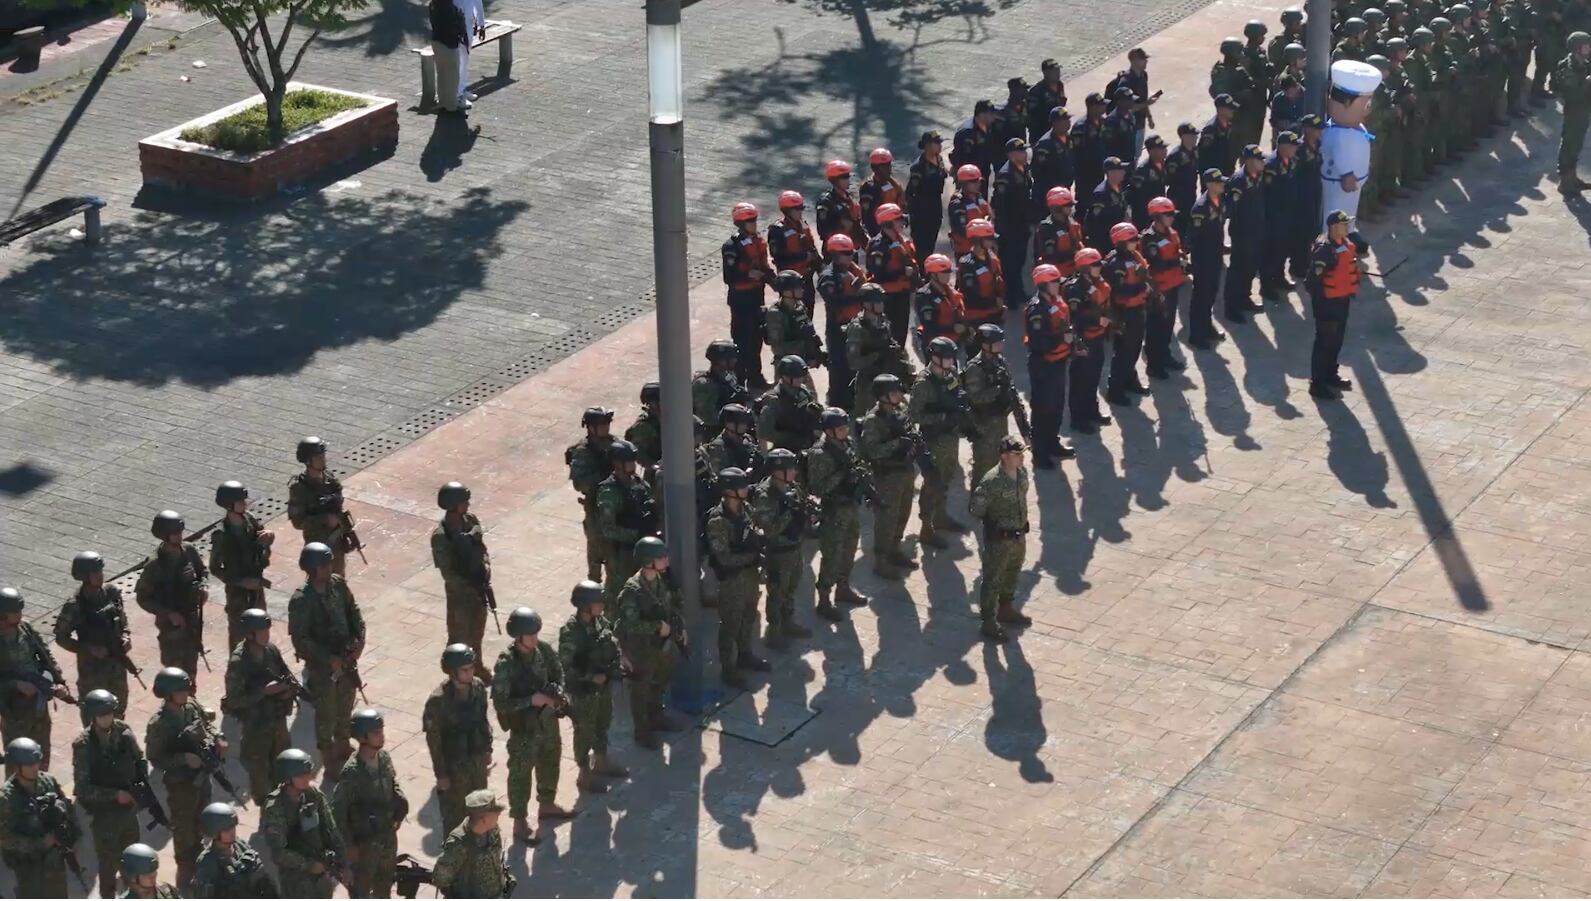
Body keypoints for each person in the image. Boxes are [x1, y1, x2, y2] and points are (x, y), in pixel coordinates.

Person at [492, 607, 574, 843]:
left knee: (551, 759)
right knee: (520, 773)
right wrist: (531, 700)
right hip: (524, 729)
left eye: (536, 633)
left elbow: (558, 672)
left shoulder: (543, 651)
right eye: (531, 635)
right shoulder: (507, 665)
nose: (535, 639)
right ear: (518, 637)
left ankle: (547, 804)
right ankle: (519, 821)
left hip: (547, 722)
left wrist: (556, 689)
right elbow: (500, 702)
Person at [288, 542, 366, 778]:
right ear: (312, 569)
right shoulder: (302, 600)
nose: (329, 567)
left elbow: (353, 612)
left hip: (345, 658)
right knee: (326, 713)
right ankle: (329, 756)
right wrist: (327, 658)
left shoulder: (338, 585)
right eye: (324, 564)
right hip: (323, 668)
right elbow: (300, 640)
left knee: (346, 703)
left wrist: (359, 639)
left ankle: (343, 744)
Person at [145, 666, 220, 885]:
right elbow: (156, 758)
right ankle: (185, 881)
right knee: (185, 833)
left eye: (186, 690)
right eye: (180, 691)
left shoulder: (192, 706)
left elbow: (207, 726)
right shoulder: (158, 724)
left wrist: (217, 739)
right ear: (167, 694)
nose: (185, 694)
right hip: (181, 786)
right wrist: (183, 759)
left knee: (205, 821)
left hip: (202, 778)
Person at [73, 689, 147, 898]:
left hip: (129, 811)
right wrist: (115, 795)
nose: (107, 718)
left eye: (109, 713)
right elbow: (82, 789)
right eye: (102, 715)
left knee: (134, 863)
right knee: (108, 867)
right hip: (105, 816)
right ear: (93, 717)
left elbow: (139, 759)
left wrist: (141, 785)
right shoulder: (84, 745)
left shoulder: (123, 731)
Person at [222, 608, 296, 808]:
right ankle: (268, 812)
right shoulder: (239, 662)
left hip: (277, 722)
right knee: (260, 777)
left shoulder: (270, 650)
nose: (267, 635)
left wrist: (287, 690)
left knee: (284, 767)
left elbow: (284, 674)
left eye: (267, 630)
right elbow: (234, 700)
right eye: (262, 631)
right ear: (249, 635)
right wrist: (264, 692)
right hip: (256, 728)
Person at [615, 538, 685, 750]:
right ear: (648, 562)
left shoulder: (662, 580)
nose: (666, 560)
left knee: (661, 679)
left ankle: (656, 715)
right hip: (640, 648)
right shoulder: (632, 591)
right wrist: (656, 626)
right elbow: (628, 624)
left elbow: (673, 605)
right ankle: (642, 730)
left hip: (660, 645)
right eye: (661, 557)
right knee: (640, 690)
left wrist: (680, 627)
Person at [559, 582, 628, 791]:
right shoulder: (571, 632)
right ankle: (583, 773)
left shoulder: (601, 622)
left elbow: (611, 642)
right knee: (584, 731)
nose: (602, 605)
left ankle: (600, 760)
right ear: (585, 606)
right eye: (598, 602)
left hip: (602, 686)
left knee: (602, 723)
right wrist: (590, 677)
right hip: (584, 691)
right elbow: (566, 666)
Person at [805, 409, 877, 606]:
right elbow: (818, 488)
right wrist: (842, 474)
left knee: (850, 550)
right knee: (832, 554)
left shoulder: (846, 444)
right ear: (829, 431)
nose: (846, 431)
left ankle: (843, 588)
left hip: (850, 506)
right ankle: (824, 599)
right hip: (834, 510)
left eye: (846, 427)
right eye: (841, 428)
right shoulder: (820, 453)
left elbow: (856, 465)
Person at [332, 710, 406, 899]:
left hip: (387, 837)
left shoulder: (384, 758)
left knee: (384, 887)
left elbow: (392, 782)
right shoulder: (352, 772)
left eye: (381, 731)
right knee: (361, 891)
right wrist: (348, 847)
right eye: (376, 733)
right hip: (364, 845)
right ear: (362, 737)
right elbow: (338, 812)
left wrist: (399, 800)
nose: (382, 736)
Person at [706, 468, 768, 689]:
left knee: (749, 615)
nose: (746, 489)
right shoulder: (718, 521)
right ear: (729, 491)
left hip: (750, 576)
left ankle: (745, 654)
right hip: (732, 580)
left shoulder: (745, 509)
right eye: (741, 486)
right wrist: (751, 556)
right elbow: (722, 558)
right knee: (730, 623)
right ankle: (728, 669)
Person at [909, 337, 974, 548]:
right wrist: (942, 417)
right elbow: (914, 415)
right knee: (932, 483)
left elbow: (957, 392)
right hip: (934, 440)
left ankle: (941, 517)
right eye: (947, 358)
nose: (951, 361)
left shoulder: (950, 374)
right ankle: (926, 528)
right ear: (935, 357)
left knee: (946, 478)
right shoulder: (923, 383)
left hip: (950, 437)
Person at [967, 437, 1032, 643]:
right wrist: (994, 524)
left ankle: (1006, 608)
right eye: (1017, 454)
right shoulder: (992, 481)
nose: (1022, 458)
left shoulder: (1021, 474)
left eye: (1022, 454)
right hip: (999, 538)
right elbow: (976, 508)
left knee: (1013, 571)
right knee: (993, 578)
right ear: (1004, 456)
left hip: (1018, 535)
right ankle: (988, 621)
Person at [55, 552, 132, 726]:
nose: (100, 576)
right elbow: (61, 637)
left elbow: (122, 619)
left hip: (116, 664)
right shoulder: (75, 605)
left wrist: (126, 636)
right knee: (93, 713)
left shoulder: (111, 592)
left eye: (100, 572)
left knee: (118, 709)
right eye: (95, 573)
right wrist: (88, 649)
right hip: (92, 670)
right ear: (84, 576)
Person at [750, 450, 816, 648]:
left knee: (791, 588)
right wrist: (790, 513)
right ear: (778, 471)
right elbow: (769, 529)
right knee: (777, 592)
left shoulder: (791, 487)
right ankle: (774, 632)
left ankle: (788, 622)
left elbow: (800, 507)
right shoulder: (765, 494)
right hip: (778, 552)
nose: (795, 472)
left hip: (794, 547)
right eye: (790, 469)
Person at [422, 643, 492, 830]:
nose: (470, 673)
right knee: (455, 818)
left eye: (471, 668)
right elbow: (434, 743)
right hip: (454, 768)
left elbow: (483, 721)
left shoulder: (477, 688)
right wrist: (441, 775)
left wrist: (487, 749)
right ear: (452, 672)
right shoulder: (438, 701)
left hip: (476, 761)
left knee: (481, 810)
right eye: (464, 670)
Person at [135, 509, 208, 686]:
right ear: (164, 535)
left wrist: (204, 587)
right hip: (171, 626)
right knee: (174, 668)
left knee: (191, 661)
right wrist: (168, 613)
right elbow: (142, 598)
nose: (180, 536)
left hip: (192, 617)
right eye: (175, 533)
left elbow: (202, 571)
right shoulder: (155, 565)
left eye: (180, 532)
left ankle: (191, 699)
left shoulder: (188, 550)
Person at [0, 738, 78, 897]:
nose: (35, 767)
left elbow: (67, 809)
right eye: (30, 764)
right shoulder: (6, 798)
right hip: (29, 866)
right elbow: (5, 838)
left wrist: (70, 837)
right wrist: (41, 843)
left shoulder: (47, 781)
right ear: (17, 767)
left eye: (36, 762)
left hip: (54, 861)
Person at [1, 586, 69, 768]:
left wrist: (58, 681)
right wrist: (15, 684)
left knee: (41, 752)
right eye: (15, 611)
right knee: (19, 758)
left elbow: (45, 654)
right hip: (15, 710)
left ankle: (42, 788)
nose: (20, 614)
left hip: (38, 704)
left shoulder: (26, 629)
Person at [262, 748, 345, 898]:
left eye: (308, 773)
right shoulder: (275, 807)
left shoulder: (313, 794)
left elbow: (331, 829)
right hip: (296, 878)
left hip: (322, 870)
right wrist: (309, 865)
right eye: (301, 775)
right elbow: (279, 853)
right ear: (287, 778)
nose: (307, 778)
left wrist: (341, 859)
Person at [432, 481, 492, 675]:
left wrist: (485, 568)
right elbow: (448, 573)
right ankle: (455, 672)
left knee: (477, 631)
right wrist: (469, 584)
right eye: (464, 501)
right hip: (460, 595)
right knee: (459, 635)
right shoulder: (441, 536)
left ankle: (477, 666)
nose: (468, 504)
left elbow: (481, 549)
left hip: (478, 588)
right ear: (452, 505)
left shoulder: (471, 520)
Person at [1306, 211, 1366, 399]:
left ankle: (1331, 374)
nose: (1347, 227)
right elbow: (1312, 282)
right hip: (1327, 304)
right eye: (1344, 224)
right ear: (1333, 227)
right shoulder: (1325, 250)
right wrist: (1321, 307)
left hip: (1342, 300)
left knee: (1336, 341)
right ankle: (1317, 384)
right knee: (1324, 343)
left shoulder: (1345, 244)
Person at [1023, 265, 1078, 468]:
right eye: (1055, 281)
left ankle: (1052, 442)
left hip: (1058, 362)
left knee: (1056, 406)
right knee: (1042, 408)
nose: (1058, 284)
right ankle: (1040, 453)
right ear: (1044, 284)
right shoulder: (1036, 310)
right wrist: (1061, 338)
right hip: (1043, 365)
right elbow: (1039, 343)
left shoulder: (1057, 301)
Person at [209, 480, 273, 652]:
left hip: (257, 586)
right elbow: (214, 568)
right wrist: (241, 582)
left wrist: (268, 537)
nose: (244, 503)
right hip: (238, 594)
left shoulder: (249, 519)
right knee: (239, 635)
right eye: (240, 501)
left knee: (261, 628)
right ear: (229, 505)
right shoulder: (221, 534)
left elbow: (261, 538)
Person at [963, 323, 1032, 480]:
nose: (1001, 345)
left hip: (1000, 423)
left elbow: (1012, 393)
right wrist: (997, 391)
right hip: (984, 426)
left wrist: (1025, 430)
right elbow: (974, 397)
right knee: (984, 471)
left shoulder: (1000, 361)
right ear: (985, 345)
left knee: (1002, 468)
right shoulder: (975, 368)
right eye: (997, 342)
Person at [595, 439, 658, 599]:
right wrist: (635, 534)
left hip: (642, 550)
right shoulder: (609, 492)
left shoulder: (638, 483)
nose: (633, 464)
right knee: (618, 596)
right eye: (629, 462)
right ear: (617, 464)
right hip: (622, 555)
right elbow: (608, 529)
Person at [816, 233, 868, 410]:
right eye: (846, 254)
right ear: (835, 255)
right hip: (837, 327)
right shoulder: (828, 276)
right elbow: (834, 301)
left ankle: (851, 398)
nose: (850, 256)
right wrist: (859, 298)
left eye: (851, 253)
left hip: (854, 324)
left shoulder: (850, 270)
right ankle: (837, 402)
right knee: (839, 366)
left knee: (854, 363)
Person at [722, 202, 772, 389]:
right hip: (741, 299)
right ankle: (740, 380)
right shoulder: (731, 247)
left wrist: (778, 283)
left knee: (757, 337)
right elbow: (729, 276)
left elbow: (764, 268)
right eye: (750, 221)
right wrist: (747, 275)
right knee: (743, 339)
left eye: (755, 220)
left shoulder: (758, 241)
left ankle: (755, 376)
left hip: (756, 295)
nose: (754, 223)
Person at [1101, 222, 1152, 406]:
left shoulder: (1132, 256)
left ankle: (1130, 380)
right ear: (1121, 242)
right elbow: (1120, 292)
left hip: (1137, 309)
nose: (1136, 242)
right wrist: (1142, 285)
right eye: (1132, 240)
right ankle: (1115, 390)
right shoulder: (1116, 264)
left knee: (1134, 348)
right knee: (1123, 352)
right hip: (1125, 313)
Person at [1064, 248, 1113, 434]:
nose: (1099, 267)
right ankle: (1078, 418)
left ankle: (1091, 411)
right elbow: (1075, 317)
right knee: (1080, 380)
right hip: (1083, 339)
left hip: (1098, 337)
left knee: (1093, 377)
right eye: (1095, 264)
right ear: (1084, 268)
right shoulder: (1074, 288)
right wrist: (1096, 320)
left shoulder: (1098, 283)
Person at [1141, 196, 1191, 380]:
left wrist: (1182, 259)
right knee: (1156, 327)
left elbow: (1177, 250)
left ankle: (1165, 355)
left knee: (1168, 325)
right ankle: (1154, 365)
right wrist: (1176, 261)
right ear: (1157, 217)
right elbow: (1155, 264)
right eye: (1168, 215)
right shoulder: (1149, 239)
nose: (1172, 218)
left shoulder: (1172, 233)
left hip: (1173, 284)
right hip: (1159, 290)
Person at [287, 437, 350, 577]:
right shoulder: (299, 489)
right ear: (308, 460)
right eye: (318, 457)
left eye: (323, 455)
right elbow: (297, 522)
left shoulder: (330, 478)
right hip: (317, 544)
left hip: (337, 541)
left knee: (339, 579)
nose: (323, 459)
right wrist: (325, 519)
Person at [846, 285, 914, 414]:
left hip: (888, 376)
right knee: (866, 419)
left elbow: (892, 344)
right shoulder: (858, 328)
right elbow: (853, 363)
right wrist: (876, 356)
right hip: (869, 383)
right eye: (877, 302)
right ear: (866, 304)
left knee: (902, 414)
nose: (881, 305)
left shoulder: (882, 320)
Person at [567, 406, 616, 585]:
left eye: (607, 424)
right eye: (602, 425)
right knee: (596, 550)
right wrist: (601, 480)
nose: (606, 428)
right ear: (590, 428)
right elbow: (578, 483)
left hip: (614, 503)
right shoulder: (583, 451)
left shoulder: (613, 444)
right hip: (595, 506)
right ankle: (593, 587)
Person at [191, 801, 280, 898]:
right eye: (227, 829)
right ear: (214, 833)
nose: (232, 832)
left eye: (233, 827)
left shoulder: (240, 845)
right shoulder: (207, 864)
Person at [432, 789, 510, 898]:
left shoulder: (492, 830)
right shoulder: (459, 844)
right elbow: (441, 878)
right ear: (484, 820)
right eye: (495, 812)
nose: (499, 814)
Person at [1223, 144, 1268, 322]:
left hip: (1256, 229)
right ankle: (1231, 307)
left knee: (1250, 267)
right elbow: (1232, 210)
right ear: (1249, 161)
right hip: (1242, 232)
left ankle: (1244, 297)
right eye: (1259, 160)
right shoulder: (1238, 181)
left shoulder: (1257, 175)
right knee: (1238, 269)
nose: (1262, 162)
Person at [1186, 168, 1228, 349]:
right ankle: (1197, 334)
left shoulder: (1219, 200)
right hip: (1203, 259)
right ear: (1210, 185)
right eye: (1219, 182)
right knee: (1201, 297)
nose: (1222, 185)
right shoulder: (1201, 208)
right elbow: (1193, 238)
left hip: (1215, 255)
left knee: (1211, 293)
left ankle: (1207, 325)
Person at [866, 202, 919, 345]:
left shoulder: (900, 241)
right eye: (898, 220)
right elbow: (878, 274)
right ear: (888, 223)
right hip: (887, 297)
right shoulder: (878, 245)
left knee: (901, 333)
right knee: (888, 334)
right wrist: (902, 272)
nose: (902, 223)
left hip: (902, 294)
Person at [1260, 131, 1304, 301]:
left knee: (1283, 249)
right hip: (1274, 216)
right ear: (1283, 147)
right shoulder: (1271, 165)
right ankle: (1267, 286)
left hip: (1287, 213)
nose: (1295, 149)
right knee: (1271, 252)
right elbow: (1269, 195)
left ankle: (1279, 278)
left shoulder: (1290, 160)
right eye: (1292, 146)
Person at [991, 138, 1034, 307]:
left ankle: (1018, 291)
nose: (1024, 154)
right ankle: (1011, 295)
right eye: (1020, 151)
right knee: (1010, 262)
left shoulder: (1023, 169)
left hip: (1021, 223)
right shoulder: (1005, 175)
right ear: (1011, 155)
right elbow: (999, 204)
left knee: (1020, 260)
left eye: (1024, 150)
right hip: (1010, 226)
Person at [768, 191, 822, 317]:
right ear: (787, 211)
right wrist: (803, 256)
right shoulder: (777, 231)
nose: (800, 212)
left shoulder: (803, 225)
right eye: (797, 209)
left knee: (808, 313)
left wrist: (821, 267)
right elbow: (779, 258)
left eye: (800, 209)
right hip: (790, 283)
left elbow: (812, 248)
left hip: (807, 278)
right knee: (792, 317)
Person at [758, 355, 824, 453]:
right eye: (796, 377)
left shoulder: (803, 391)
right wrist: (791, 437)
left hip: (808, 443)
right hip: (785, 449)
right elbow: (765, 433)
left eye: (801, 377)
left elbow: (815, 412)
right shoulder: (773, 400)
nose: (800, 379)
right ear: (785, 377)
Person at [765, 271, 826, 374]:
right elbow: (777, 348)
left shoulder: (799, 306)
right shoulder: (776, 314)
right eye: (797, 288)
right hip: (786, 368)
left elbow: (808, 332)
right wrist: (804, 347)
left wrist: (816, 353)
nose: (802, 290)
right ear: (786, 292)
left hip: (800, 363)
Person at [905, 132, 949, 266]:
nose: (940, 146)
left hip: (935, 209)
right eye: (937, 143)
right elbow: (910, 192)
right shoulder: (919, 168)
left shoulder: (939, 159)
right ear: (928, 146)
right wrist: (911, 212)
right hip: (922, 212)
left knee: (931, 244)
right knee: (922, 249)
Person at [913, 252, 968, 361]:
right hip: (935, 345)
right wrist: (953, 328)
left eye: (948, 272)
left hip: (952, 342)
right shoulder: (925, 296)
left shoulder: (949, 291)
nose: (948, 275)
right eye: (944, 272)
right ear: (933, 275)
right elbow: (929, 326)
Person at [956, 219, 1006, 334]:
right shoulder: (967, 264)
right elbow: (970, 296)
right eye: (989, 238)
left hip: (993, 313)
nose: (992, 241)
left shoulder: (992, 258)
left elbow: (998, 281)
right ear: (978, 240)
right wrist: (994, 301)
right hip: (976, 316)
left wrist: (1000, 297)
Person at [1556, 31, 1591, 192]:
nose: (1589, 48)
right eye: (1586, 45)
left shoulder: (1582, 62)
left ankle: (1572, 177)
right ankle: (1565, 183)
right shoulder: (1568, 67)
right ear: (1577, 48)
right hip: (1574, 110)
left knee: (1576, 144)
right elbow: (1573, 95)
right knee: (1569, 144)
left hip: (1583, 109)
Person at [1211, 37, 1261, 148]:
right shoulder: (1222, 73)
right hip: (1231, 118)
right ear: (1231, 54)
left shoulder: (1239, 69)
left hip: (1243, 117)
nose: (1242, 55)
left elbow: (1251, 85)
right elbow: (1221, 96)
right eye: (1239, 52)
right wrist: (1244, 94)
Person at [815, 159, 866, 254]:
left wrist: (866, 244)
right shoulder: (826, 202)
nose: (848, 180)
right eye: (844, 177)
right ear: (835, 180)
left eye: (848, 176)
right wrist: (840, 225)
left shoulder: (850, 198)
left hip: (852, 250)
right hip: (835, 252)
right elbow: (822, 230)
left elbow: (857, 224)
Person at [1032, 186, 1085, 275]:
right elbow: (1051, 256)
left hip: (1075, 271)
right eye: (1067, 206)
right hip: (1056, 275)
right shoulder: (1047, 228)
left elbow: (1078, 241)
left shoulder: (1071, 221)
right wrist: (1075, 254)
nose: (1070, 208)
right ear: (1057, 208)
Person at [428, 0, 468, 116]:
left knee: (442, 74)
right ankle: (451, 107)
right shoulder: (450, 8)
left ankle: (442, 102)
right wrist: (460, 20)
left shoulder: (433, 5)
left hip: (436, 42)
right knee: (452, 77)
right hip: (449, 45)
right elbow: (454, 27)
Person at [1030, 107, 1077, 206]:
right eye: (1064, 120)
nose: (1068, 122)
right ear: (1055, 123)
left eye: (1068, 119)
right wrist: (1054, 187)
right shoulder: (1045, 144)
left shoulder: (1068, 138)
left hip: (1064, 188)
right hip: (1049, 193)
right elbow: (1038, 172)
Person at [1085, 156, 1131, 250]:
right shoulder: (1101, 194)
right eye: (1120, 170)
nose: (1123, 172)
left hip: (1118, 237)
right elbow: (1096, 223)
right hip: (1106, 243)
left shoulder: (1118, 186)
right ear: (1110, 173)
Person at [951, 99, 998, 191]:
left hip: (982, 174)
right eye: (991, 114)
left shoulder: (989, 126)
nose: (994, 116)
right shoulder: (967, 133)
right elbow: (959, 158)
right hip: (969, 179)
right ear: (981, 115)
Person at [1071, 93, 1109, 205]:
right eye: (1101, 105)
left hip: (1099, 170)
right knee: (1085, 202)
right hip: (1085, 174)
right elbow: (1077, 153)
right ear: (1093, 107)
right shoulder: (1081, 127)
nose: (1104, 107)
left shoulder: (1102, 122)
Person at [946, 164, 992, 260]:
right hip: (965, 252)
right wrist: (982, 231)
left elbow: (989, 215)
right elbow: (961, 229)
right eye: (973, 182)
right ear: (963, 184)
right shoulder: (957, 204)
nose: (977, 184)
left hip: (983, 249)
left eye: (978, 181)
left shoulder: (979, 198)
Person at [858, 149, 906, 238]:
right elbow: (867, 216)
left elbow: (902, 203)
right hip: (879, 232)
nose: (888, 169)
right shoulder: (869, 188)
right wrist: (875, 236)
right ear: (875, 168)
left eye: (889, 165)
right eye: (883, 166)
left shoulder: (893, 184)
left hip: (894, 230)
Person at [1164, 123, 1201, 235]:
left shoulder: (1194, 150)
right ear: (1184, 137)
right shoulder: (1175, 156)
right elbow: (1168, 179)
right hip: (1178, 196)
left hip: (1191, 193)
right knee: (1179, 225)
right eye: (1192, 135)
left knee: (1188, 223)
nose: (1195, 138)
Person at [1130, 135, 1171, 226]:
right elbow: (1139, 198)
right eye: (1161, 148)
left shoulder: (1162, 163)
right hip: (1146, 216)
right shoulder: (1143, 171)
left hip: (1159, 211)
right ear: (1152, 151)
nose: (1165, 150)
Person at [1197, 94, 1241, 174]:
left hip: (1226, 172)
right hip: (1214, 177)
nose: (1232, 111)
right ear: (1221, 110)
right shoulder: (1210, 130)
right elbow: (1204, 158)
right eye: (1230, 109)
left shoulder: (1229, 125)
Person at [1026, 59, 1068, 142]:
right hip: (1041, 134)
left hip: (1057, 131)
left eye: (1058, 70)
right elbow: (1031, 117)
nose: (1057, 73)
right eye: (1054, 71)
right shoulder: (1036, 91)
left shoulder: (1060, 85)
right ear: (1045, 72)